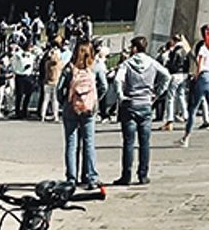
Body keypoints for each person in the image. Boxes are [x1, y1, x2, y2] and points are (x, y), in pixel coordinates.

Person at [114, 35, 171, 186]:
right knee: (144, 142)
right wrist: (157, 93)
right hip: (146, 104)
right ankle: (143, 174)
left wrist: (121, 95)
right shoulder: (152, 62)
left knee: (128, 142)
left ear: (134, 48)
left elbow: (117, 79)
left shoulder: (127, 64)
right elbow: (166, 76)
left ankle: (126, 175)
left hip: (130, 104)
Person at [57, 39, 105, 189]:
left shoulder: (69, 69)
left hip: (71, 108)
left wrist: (64, 102)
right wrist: (95, 100)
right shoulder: (95, 67)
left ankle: (71, 178)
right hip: (89, 109)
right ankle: (91, 176)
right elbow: (104, 86)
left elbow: (59, 89)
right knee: (89, 143)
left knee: (71, 144)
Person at [182, 26, 209, 147]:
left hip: (204, 77)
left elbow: (199, 65)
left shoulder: (202, 47)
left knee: (193, 108)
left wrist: (196, 77)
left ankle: (186, 138)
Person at [39, 43, 63, 122]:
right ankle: (55, 116)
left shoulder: (47, 63)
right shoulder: (59, 63)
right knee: (54, 100)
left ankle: (43, 115)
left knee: (45, 100)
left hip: (47, 82)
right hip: (56, 82)